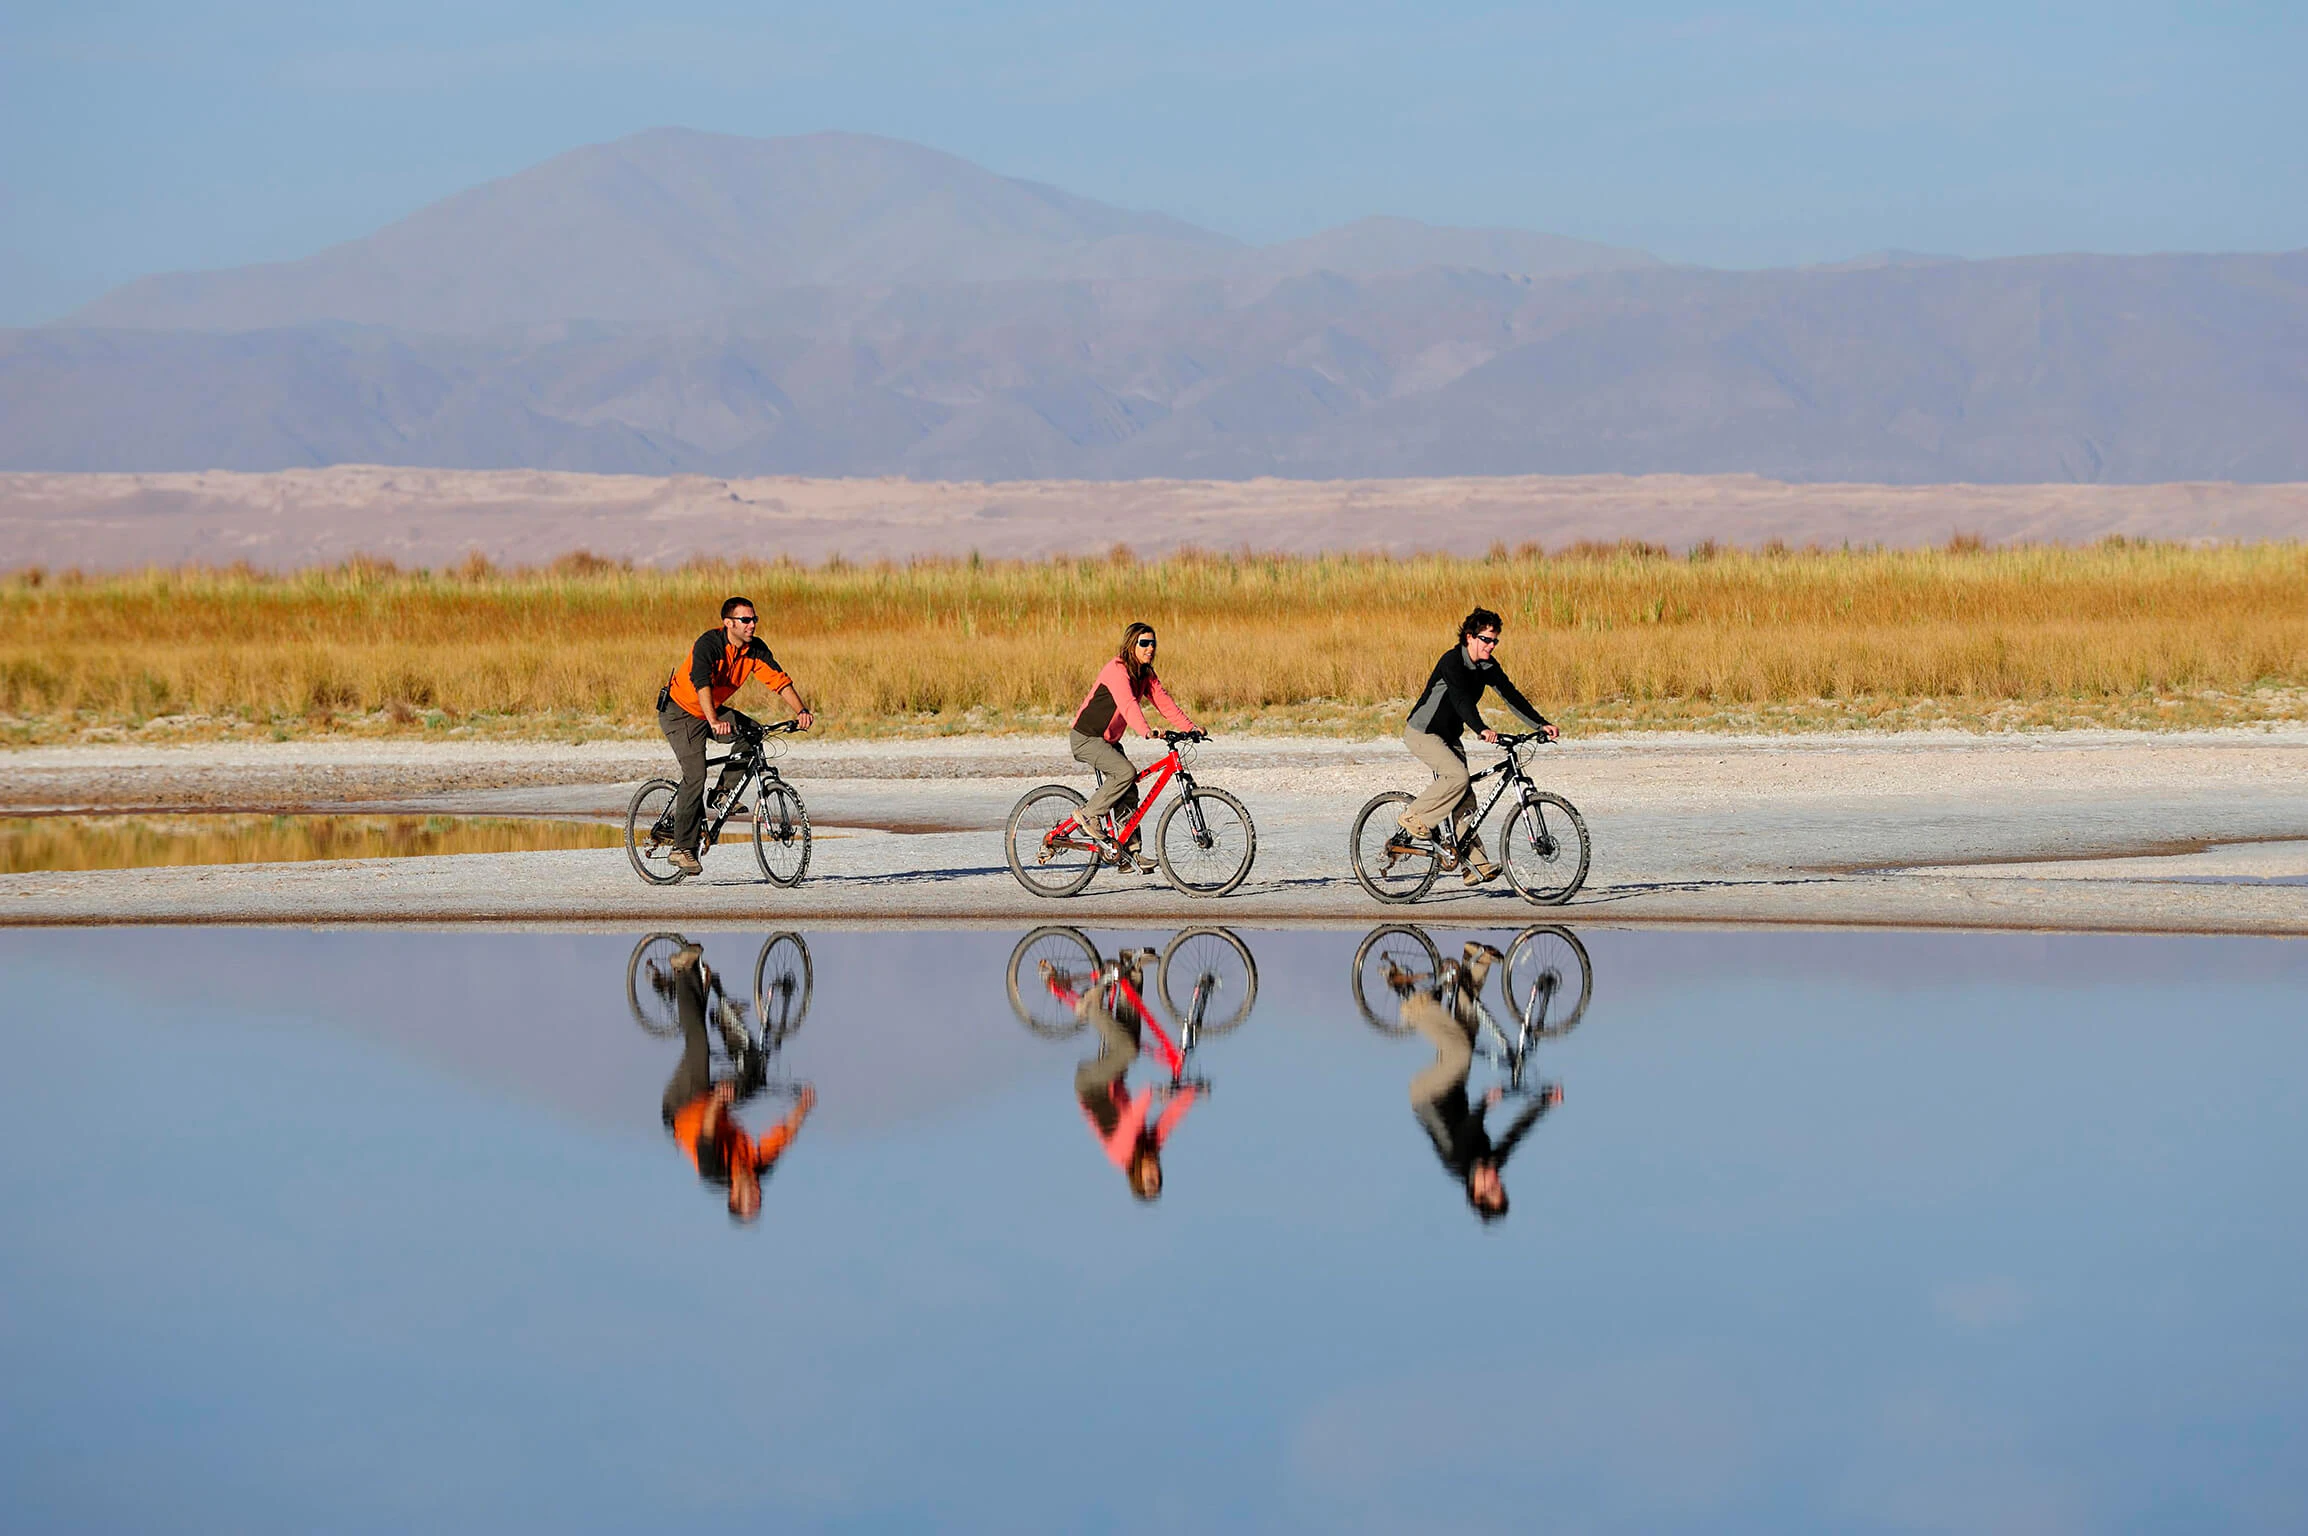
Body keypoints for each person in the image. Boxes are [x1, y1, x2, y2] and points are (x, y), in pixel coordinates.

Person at [1397, 941, 1560, 1223]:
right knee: (1467, 1030)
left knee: (1460, 1052)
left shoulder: (1458, 1162)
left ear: (1476, 1191)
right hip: (1453, 1087)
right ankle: (1475, 962)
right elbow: (1516, 1133)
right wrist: (1544, 1103)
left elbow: (1469, 1127)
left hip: (1426, 1094)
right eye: (1500, 1186)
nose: (1497, 1180)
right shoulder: (1491, 1161)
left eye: (1492, 1187)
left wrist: (1486, 1102)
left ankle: (1415, 1009)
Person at [1398, 606, 1557, 884]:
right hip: (1422, 732)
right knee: (1457, 777)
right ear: (1469, 637)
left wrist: (1540, 724)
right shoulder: (1452, 661)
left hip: (1449, 736)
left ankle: (1474, 866)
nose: (1491, 645)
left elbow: (1511, 696)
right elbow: (1461, 701)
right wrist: (1481, 729)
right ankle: (1413, 818)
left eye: (1495, 640)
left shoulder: (1487, 667)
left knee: (1465, 799)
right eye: (1486, 639)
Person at [659, 943, 815, 1223]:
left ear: (733, 1196)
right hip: (714, 1103)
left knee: (700, 1048)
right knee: (755, 1074)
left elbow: (707, 1130)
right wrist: (802, 1109)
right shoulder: (758, 1168)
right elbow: (781, 1139)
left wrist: (718, 1100)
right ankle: (723, 1016)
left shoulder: (713, 1172)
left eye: (749, 1199)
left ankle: (682, 971)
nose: (756, 1192)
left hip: (684, 1107)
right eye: (758, 1199)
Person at [658, 596, 814, 875]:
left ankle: (722, 792)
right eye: (745, 620)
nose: (752, 624)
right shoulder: (709, 644)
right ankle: (682, 849)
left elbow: (779, 680)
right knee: (695, 775)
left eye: (754, 619)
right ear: (728, 623)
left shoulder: (755, 650)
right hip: (680, 712)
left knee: (753, 734)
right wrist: (714, 720)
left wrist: (801, 710)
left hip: (711, 711)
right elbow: (701, 684)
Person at [1047, 950, 1198, 1201]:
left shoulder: (1120, 1155)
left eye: (1149, 1179)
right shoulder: (1151, 1146)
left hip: (1091, 1085)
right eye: (1158, 1177)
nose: (1154, 1171)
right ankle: (1131, 972)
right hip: (1112, 1081)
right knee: (1131, 1042)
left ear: (1136, 1177)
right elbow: (1169, 1120)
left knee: (1127, 1051)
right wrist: (1192, 1092)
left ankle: (1089, 1008)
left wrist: (1151, 1094)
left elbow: (1130, 1120)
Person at [1069, 622, 1200, 873]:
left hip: (1107, 740)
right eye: (1144, 643)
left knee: (1128, 790)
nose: (1150, 648)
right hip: (1086, 737)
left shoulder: (1145, 674)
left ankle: (1130, 854)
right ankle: (1088, 814)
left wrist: (1191, 727)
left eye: (1153, 643)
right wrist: (1145, 731)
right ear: (1131, 645)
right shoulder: (1117, 670)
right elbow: (1128, 705)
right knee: (1125, 773)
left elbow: (1165, 703)